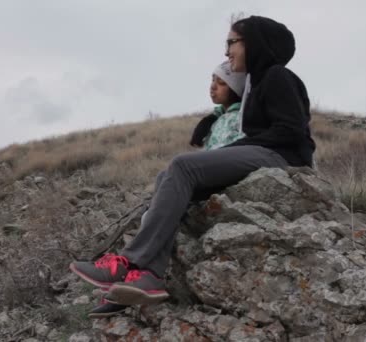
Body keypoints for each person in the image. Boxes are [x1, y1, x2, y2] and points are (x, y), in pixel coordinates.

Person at [71, 15, 316, 312]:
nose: (226, 52)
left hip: (284, 160)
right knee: (167, 179)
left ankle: (129, 262)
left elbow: (290, 130)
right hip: (265, 154)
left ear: (253, 43)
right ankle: (147, 278)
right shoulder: (255, 84)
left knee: (183, 166)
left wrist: (235, 149)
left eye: (231, 42)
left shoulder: (277, 75)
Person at [86, 61, 247, 317]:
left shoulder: (241, 118)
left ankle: (131, 267)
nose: (213, 87)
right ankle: (139, 280)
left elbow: (227, 158)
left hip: (224, 181)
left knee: (172, 180)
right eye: (212, 80)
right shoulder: (215, 121)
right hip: (206, 180)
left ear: (236, 88)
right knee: (163, 183)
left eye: (221, 82)